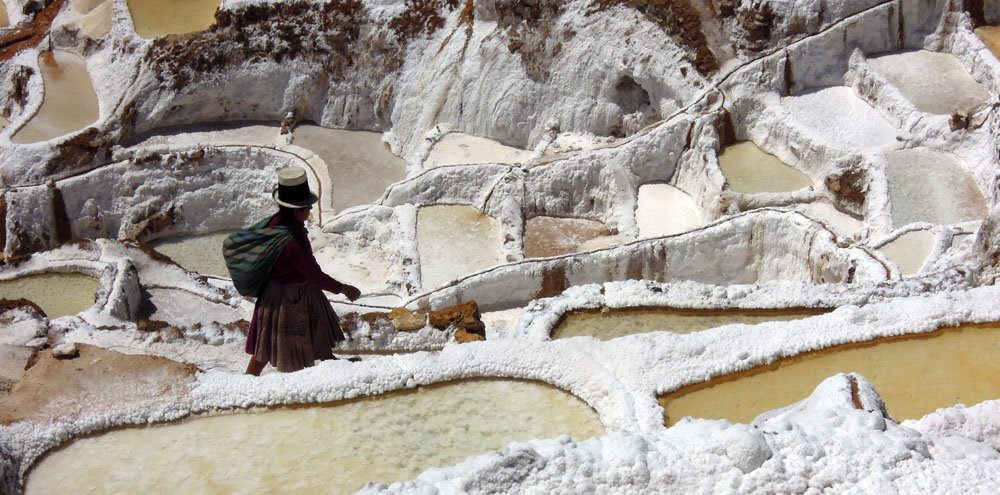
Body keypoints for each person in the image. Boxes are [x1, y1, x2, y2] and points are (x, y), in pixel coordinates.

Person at [244, 166, 361, 375]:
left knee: (316, 331)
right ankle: (250, 380)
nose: (310, 211)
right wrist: (344, 288)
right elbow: (315, 275)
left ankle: (333, 364)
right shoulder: (293, 242)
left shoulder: (276, 222)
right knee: (275, 344)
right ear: (296, 210)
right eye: (307, 207)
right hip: (287, 298)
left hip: (288, 291)